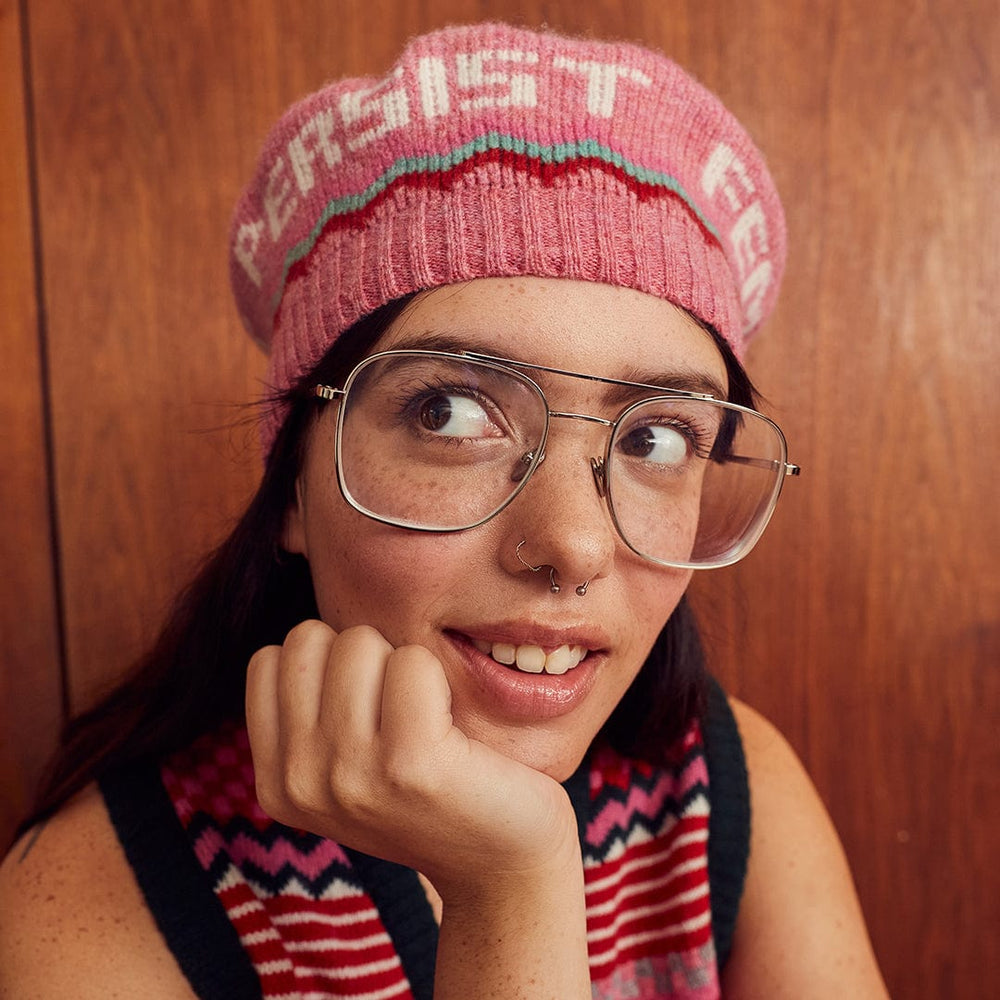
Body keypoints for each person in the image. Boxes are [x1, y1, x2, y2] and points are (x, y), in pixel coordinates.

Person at [0, 22, 889, 999]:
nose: (573, 544)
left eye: (654, 439)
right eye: (448, 411)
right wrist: (510, 889)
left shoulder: (724, 794)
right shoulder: (95, 895)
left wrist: (513, 882)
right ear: (297, 483)